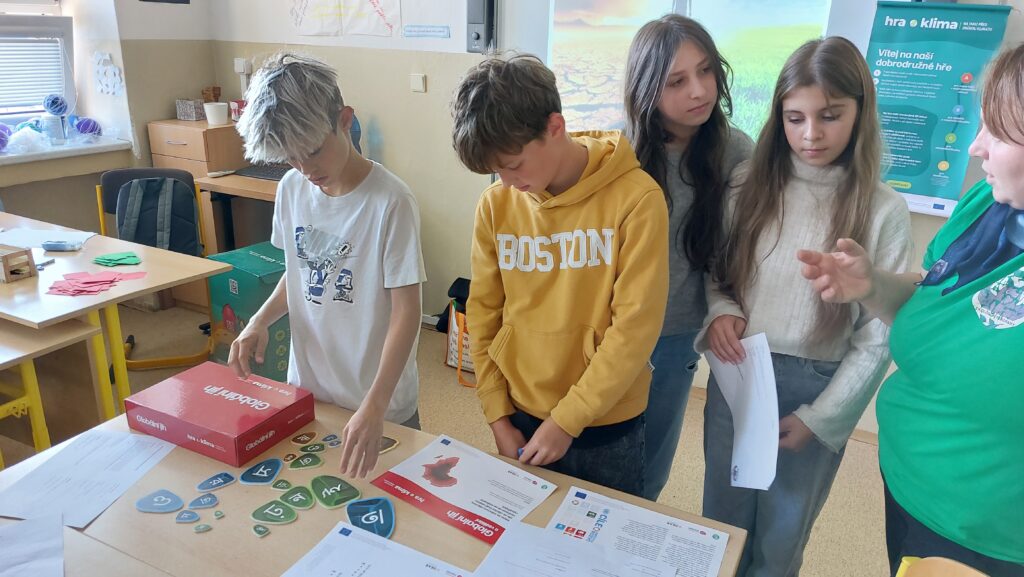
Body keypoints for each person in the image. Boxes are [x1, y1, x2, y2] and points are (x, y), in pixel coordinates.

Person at [799, 45, 1024, 577]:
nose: (975, 147)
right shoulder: (988, 203)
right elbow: (932, 291)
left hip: (989, 534)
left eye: (998, 132)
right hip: (912, 486)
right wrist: (872, 285)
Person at [697, 37, 912, 576]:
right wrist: (721, 309)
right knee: (721, 522)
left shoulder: (883, 209)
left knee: (782, 535)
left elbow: (877, 337)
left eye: (830, 116)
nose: (811, 134)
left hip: (815, 387)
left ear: (860, 113)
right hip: (740, 373)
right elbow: (719, 271)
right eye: (795, 118)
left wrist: (822, 418)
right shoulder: (747, 184)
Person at [451, 53, 668, 497]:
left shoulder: (638, 200)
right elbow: (485, 312)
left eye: (514, 165)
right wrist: (496, 413)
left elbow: (634, 329)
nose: (506, 181)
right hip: (521, 412)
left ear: (555, 127)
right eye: (496, 171)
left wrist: (568, 420)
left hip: (606, 421)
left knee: (604, 536)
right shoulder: (496, 204)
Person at [229, 53, 426, 479]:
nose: (305, 168)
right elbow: (299, 272)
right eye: (290, 157)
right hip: (310, 389)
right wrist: (259, 320)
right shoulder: (291, 189)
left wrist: (375, 404)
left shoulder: (391, 201)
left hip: (379, 401)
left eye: (314, 151)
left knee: (390, 502)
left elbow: (407, 312)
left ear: (344, 121)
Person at [624, 14, 753, 502]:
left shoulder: (735, 151)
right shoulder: (618, 151)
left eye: (705, 71)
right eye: (677, 81)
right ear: (647, 90)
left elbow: (737, 248)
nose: (699, 91)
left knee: (649, 467)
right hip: (609, 328)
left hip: (677, 331)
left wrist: (726, 308)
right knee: (593, 451)